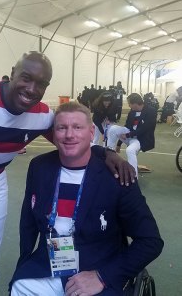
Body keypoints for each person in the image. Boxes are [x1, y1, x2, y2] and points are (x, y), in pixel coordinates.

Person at [0, 51, 135, 296]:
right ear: (12, 73)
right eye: (26, 78)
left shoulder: (41, 115)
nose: (31, 89)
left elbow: (73, 142)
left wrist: (108, 153)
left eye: (41, 84)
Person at [10, 102, 163, 296]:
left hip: (99, 268)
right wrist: (24, 263)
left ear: (91, 133)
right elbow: (28, 223)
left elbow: (150, 241)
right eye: (62, 127)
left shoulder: (117, 175)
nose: (69, 134)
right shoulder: (39, 167)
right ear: (54, 133)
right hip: (49, 262)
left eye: (77, 127)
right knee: (20, 287)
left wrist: (103, 277)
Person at [107, 93, 157, 178]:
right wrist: (119, 144)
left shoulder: (151, 111)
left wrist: (128, 134)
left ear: (135, 103)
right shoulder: (132, 112)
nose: (129, 106)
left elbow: (145, 128)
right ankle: (109, 153)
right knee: (113, 128)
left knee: (130, 150)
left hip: (141, 139)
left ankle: (133, 177)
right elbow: (127, 127)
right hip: (130, 135)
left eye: (129, 103)